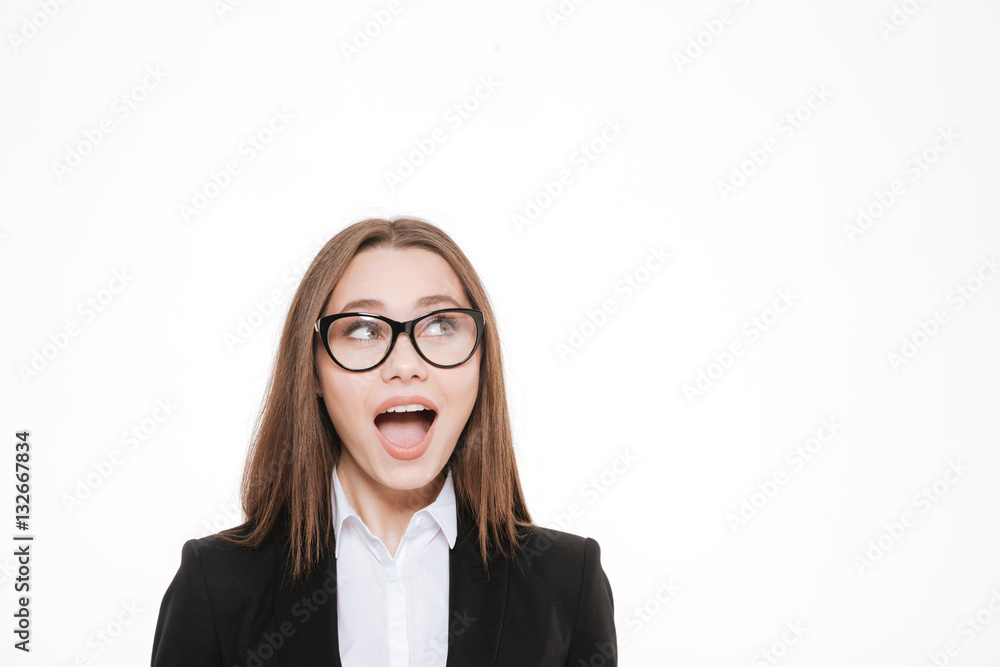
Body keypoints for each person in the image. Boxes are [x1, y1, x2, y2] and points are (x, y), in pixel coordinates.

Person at [151, 216, 617, 666]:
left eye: (440, 325)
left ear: (480, 362)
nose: (405, 363)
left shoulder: (567, 584)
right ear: (312, 369)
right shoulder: (215, 584)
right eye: (363, 329)